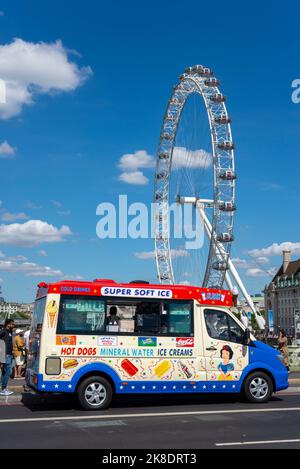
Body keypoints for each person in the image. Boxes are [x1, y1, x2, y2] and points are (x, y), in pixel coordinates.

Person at [0, 319, 15, 395]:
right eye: (12, 324)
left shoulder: (9, 332)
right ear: (8, 324)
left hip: (9, 354)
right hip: (5, 355)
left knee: (4, 372)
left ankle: (3, 388)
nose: (13, 325)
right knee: (8, 371)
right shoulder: (3, 331)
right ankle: (3, 388)